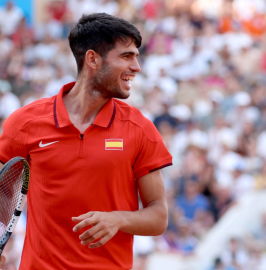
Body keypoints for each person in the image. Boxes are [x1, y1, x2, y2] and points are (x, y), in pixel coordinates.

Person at [0, 13, 172, 269]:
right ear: (92, 59)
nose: (136, 67)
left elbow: (159, 216)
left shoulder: (140, 129)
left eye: (136, 56)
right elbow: (2, 191)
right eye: (126, 56)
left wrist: (119, 219)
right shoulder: (25, 123)